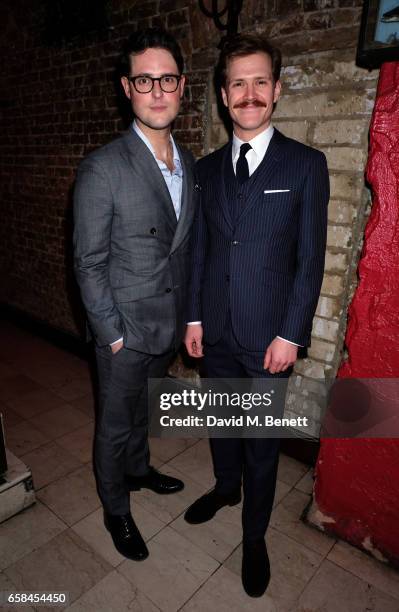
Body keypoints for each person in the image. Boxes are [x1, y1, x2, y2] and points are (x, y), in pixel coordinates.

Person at [184, 33, 329, 597]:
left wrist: (292, 333)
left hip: (269, 336)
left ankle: (254, 538)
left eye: (260, 81)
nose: (249, 94)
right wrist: (193, 318)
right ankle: (224, 488)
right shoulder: (207, 167)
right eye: (237, 83)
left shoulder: (306, 164)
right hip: (216, 329)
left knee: (261, 444)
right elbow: (200, 248)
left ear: (277, 89)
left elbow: (310, 259)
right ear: (224, 94)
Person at [73, 27, 196, 562]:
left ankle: (140, 470)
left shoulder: (188, 162)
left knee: (146, 412)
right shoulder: (103, 167)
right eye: (144, 80)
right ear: (127, 88)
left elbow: (182, 250)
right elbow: (88, 261)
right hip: (124, 329)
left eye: (166, 78)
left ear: (182, 85)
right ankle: (115, 506)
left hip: (164, 324)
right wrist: (112, 335)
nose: (157, 91)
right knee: (115, 423)